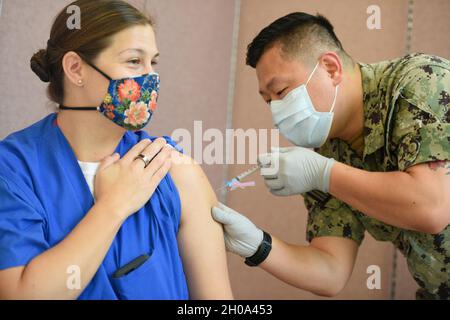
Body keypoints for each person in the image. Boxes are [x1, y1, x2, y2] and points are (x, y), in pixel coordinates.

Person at [0, 0, 233, 300]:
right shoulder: (14, 169)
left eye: (154, 63)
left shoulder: (172, 170)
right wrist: (115, 205)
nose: (151, 79)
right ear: (75, 68)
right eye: (134, 62)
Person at [212, 12, 449, 299]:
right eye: (268, 101)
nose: (276, 113)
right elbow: (331, 272)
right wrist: (258, 245)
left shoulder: (421, 83)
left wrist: (324, 174)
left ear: (330, 68)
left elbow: (432, 206)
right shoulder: (327, 153)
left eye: (281, 91)